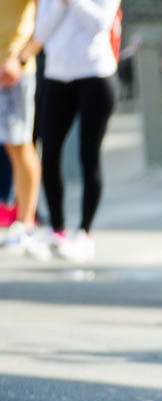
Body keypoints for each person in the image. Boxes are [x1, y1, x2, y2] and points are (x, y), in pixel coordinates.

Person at [16, 0, 120, 262]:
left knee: (89, 156)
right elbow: (42, 30)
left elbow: (99, 23)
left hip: (95, 74)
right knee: (49, 154)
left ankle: (85, 231)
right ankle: (57, 230)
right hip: (57, 76)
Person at [0, 0, 43, 258]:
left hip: (13, 74)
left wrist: (22, 59)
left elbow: (46, 20)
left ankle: (26, 222)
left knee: (19, 144)